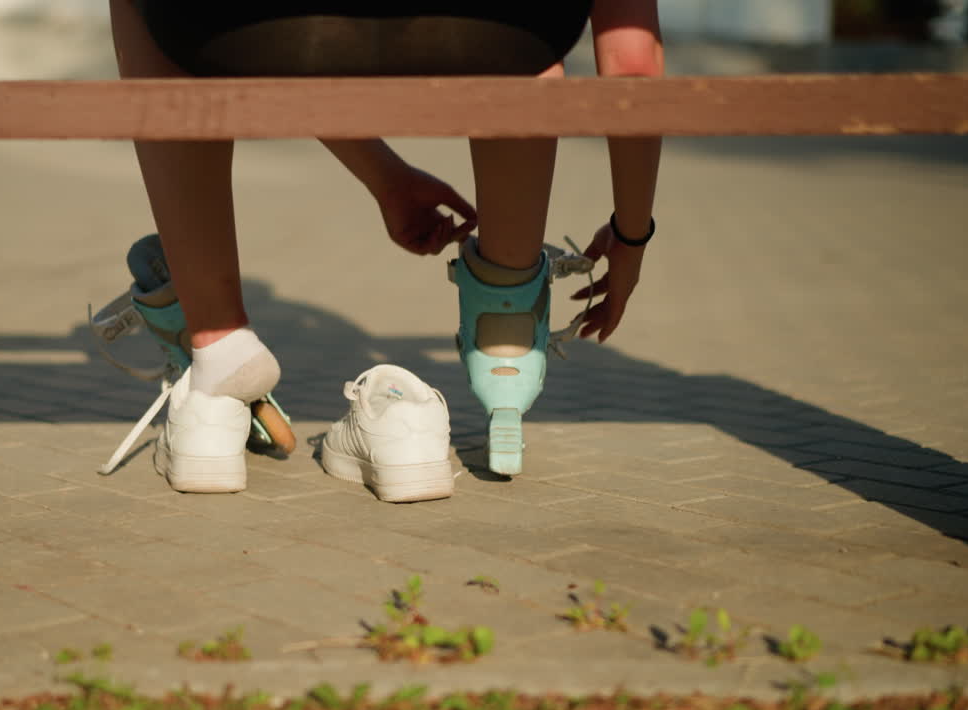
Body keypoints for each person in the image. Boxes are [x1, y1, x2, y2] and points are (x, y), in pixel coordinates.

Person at [107, 0, 663, 490]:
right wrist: (631, 235)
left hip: (253, 23)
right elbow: (633, 61)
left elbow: (293, 33)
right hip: (499, 26)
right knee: (525, 40)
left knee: (165, 15)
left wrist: (384, 174)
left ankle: (218, 349)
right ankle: (507, 320)